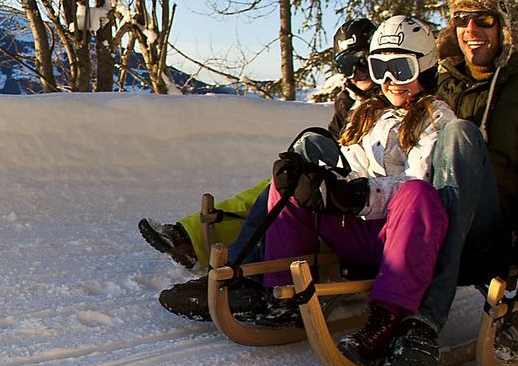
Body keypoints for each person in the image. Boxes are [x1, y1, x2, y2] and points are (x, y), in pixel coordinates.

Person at [248, 15, 456, 366]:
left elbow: (417, 180)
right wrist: (316, 180)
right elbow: (348, 164)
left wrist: (356, 195)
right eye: (381, 69)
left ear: (424, 67)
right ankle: (283, 296)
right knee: (294, 188)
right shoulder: (367, 112)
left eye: (401, 69)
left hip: (405, 239)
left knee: (418, 194)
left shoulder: (437, 118)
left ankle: (386, 317)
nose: (390, 81)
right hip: (361, 232)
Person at [152, 17, 379, 320]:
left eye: (361, 64)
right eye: (345, 66)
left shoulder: (391, 104)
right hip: (340, 193)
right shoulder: (348, 104)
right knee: (277, 188)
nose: (354, 75)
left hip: (361, 206)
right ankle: (201, 248)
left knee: (280, 197)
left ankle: (240, 275)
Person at [415, 0, 518, 361]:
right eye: (462, 19)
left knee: (461, 135)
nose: (472, 30)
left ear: (502, 27)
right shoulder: (438, 86)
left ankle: (427, 315)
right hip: (433, 220)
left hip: (492, 233)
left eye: (484, 19)